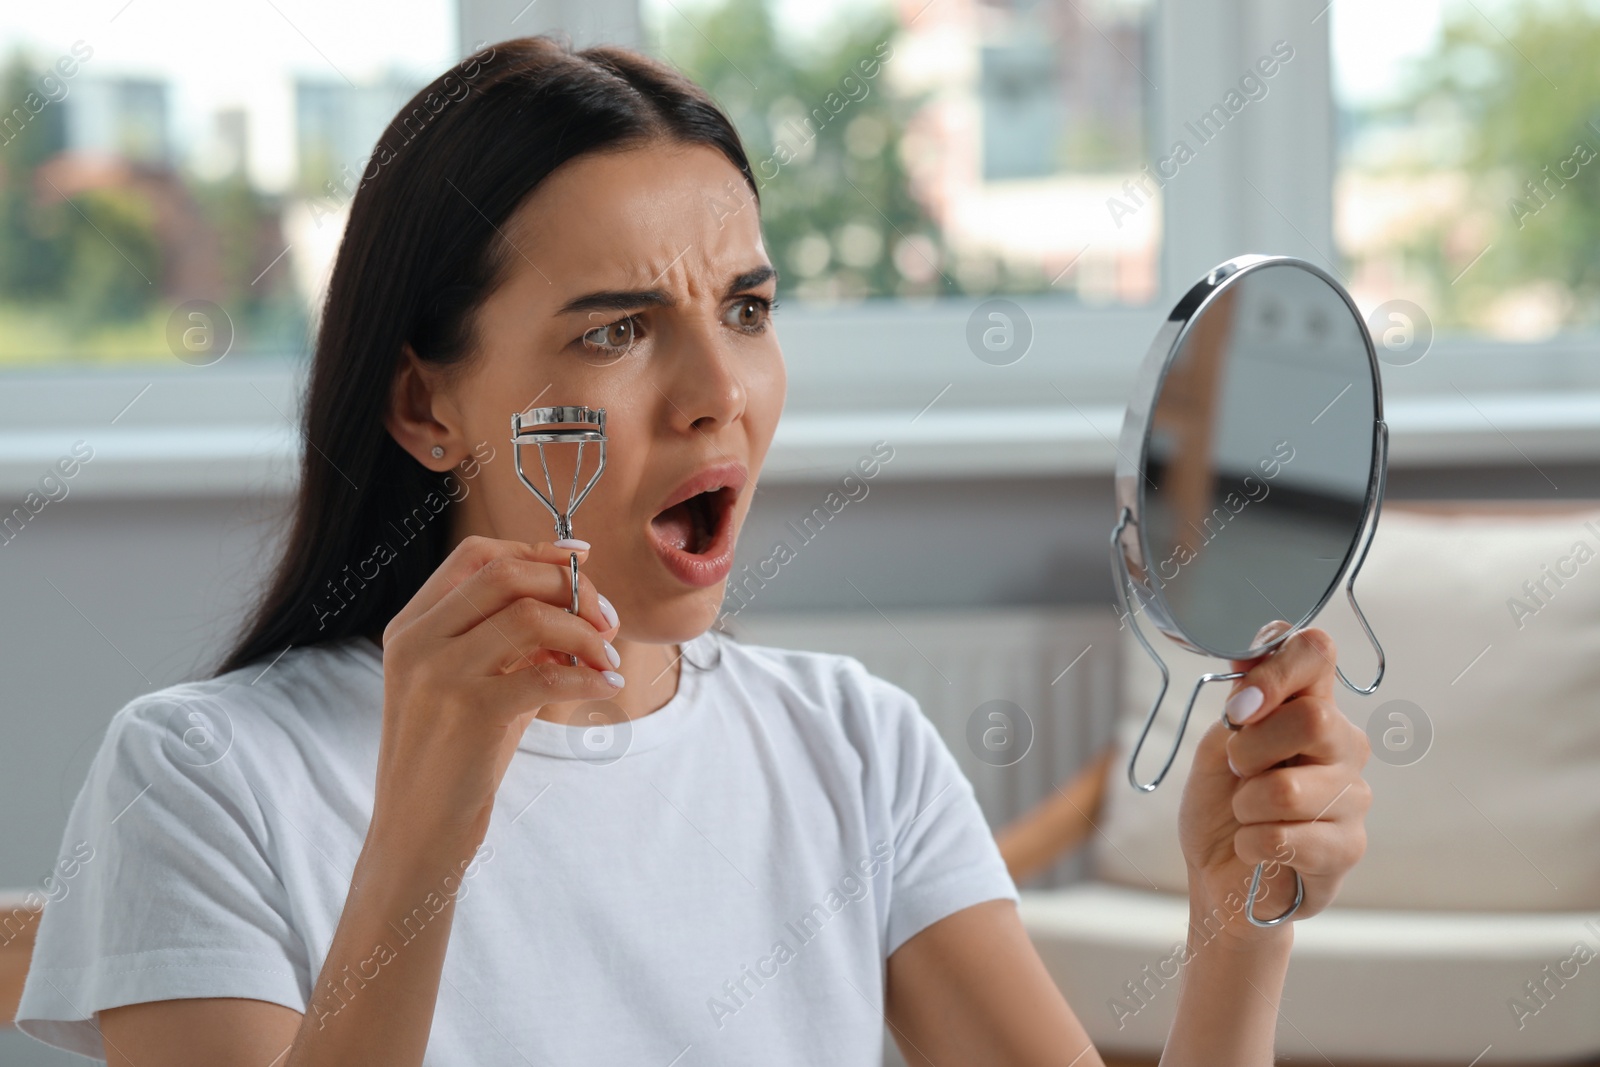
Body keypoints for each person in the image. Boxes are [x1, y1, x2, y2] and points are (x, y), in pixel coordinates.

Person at [15, 35, 1371, 1067]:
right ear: (428, 406)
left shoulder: (857, 747)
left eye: (746, 306)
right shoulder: (199, 776)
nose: (716, 390)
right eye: (614, 329)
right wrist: (425, 831)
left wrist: (1238, 919)